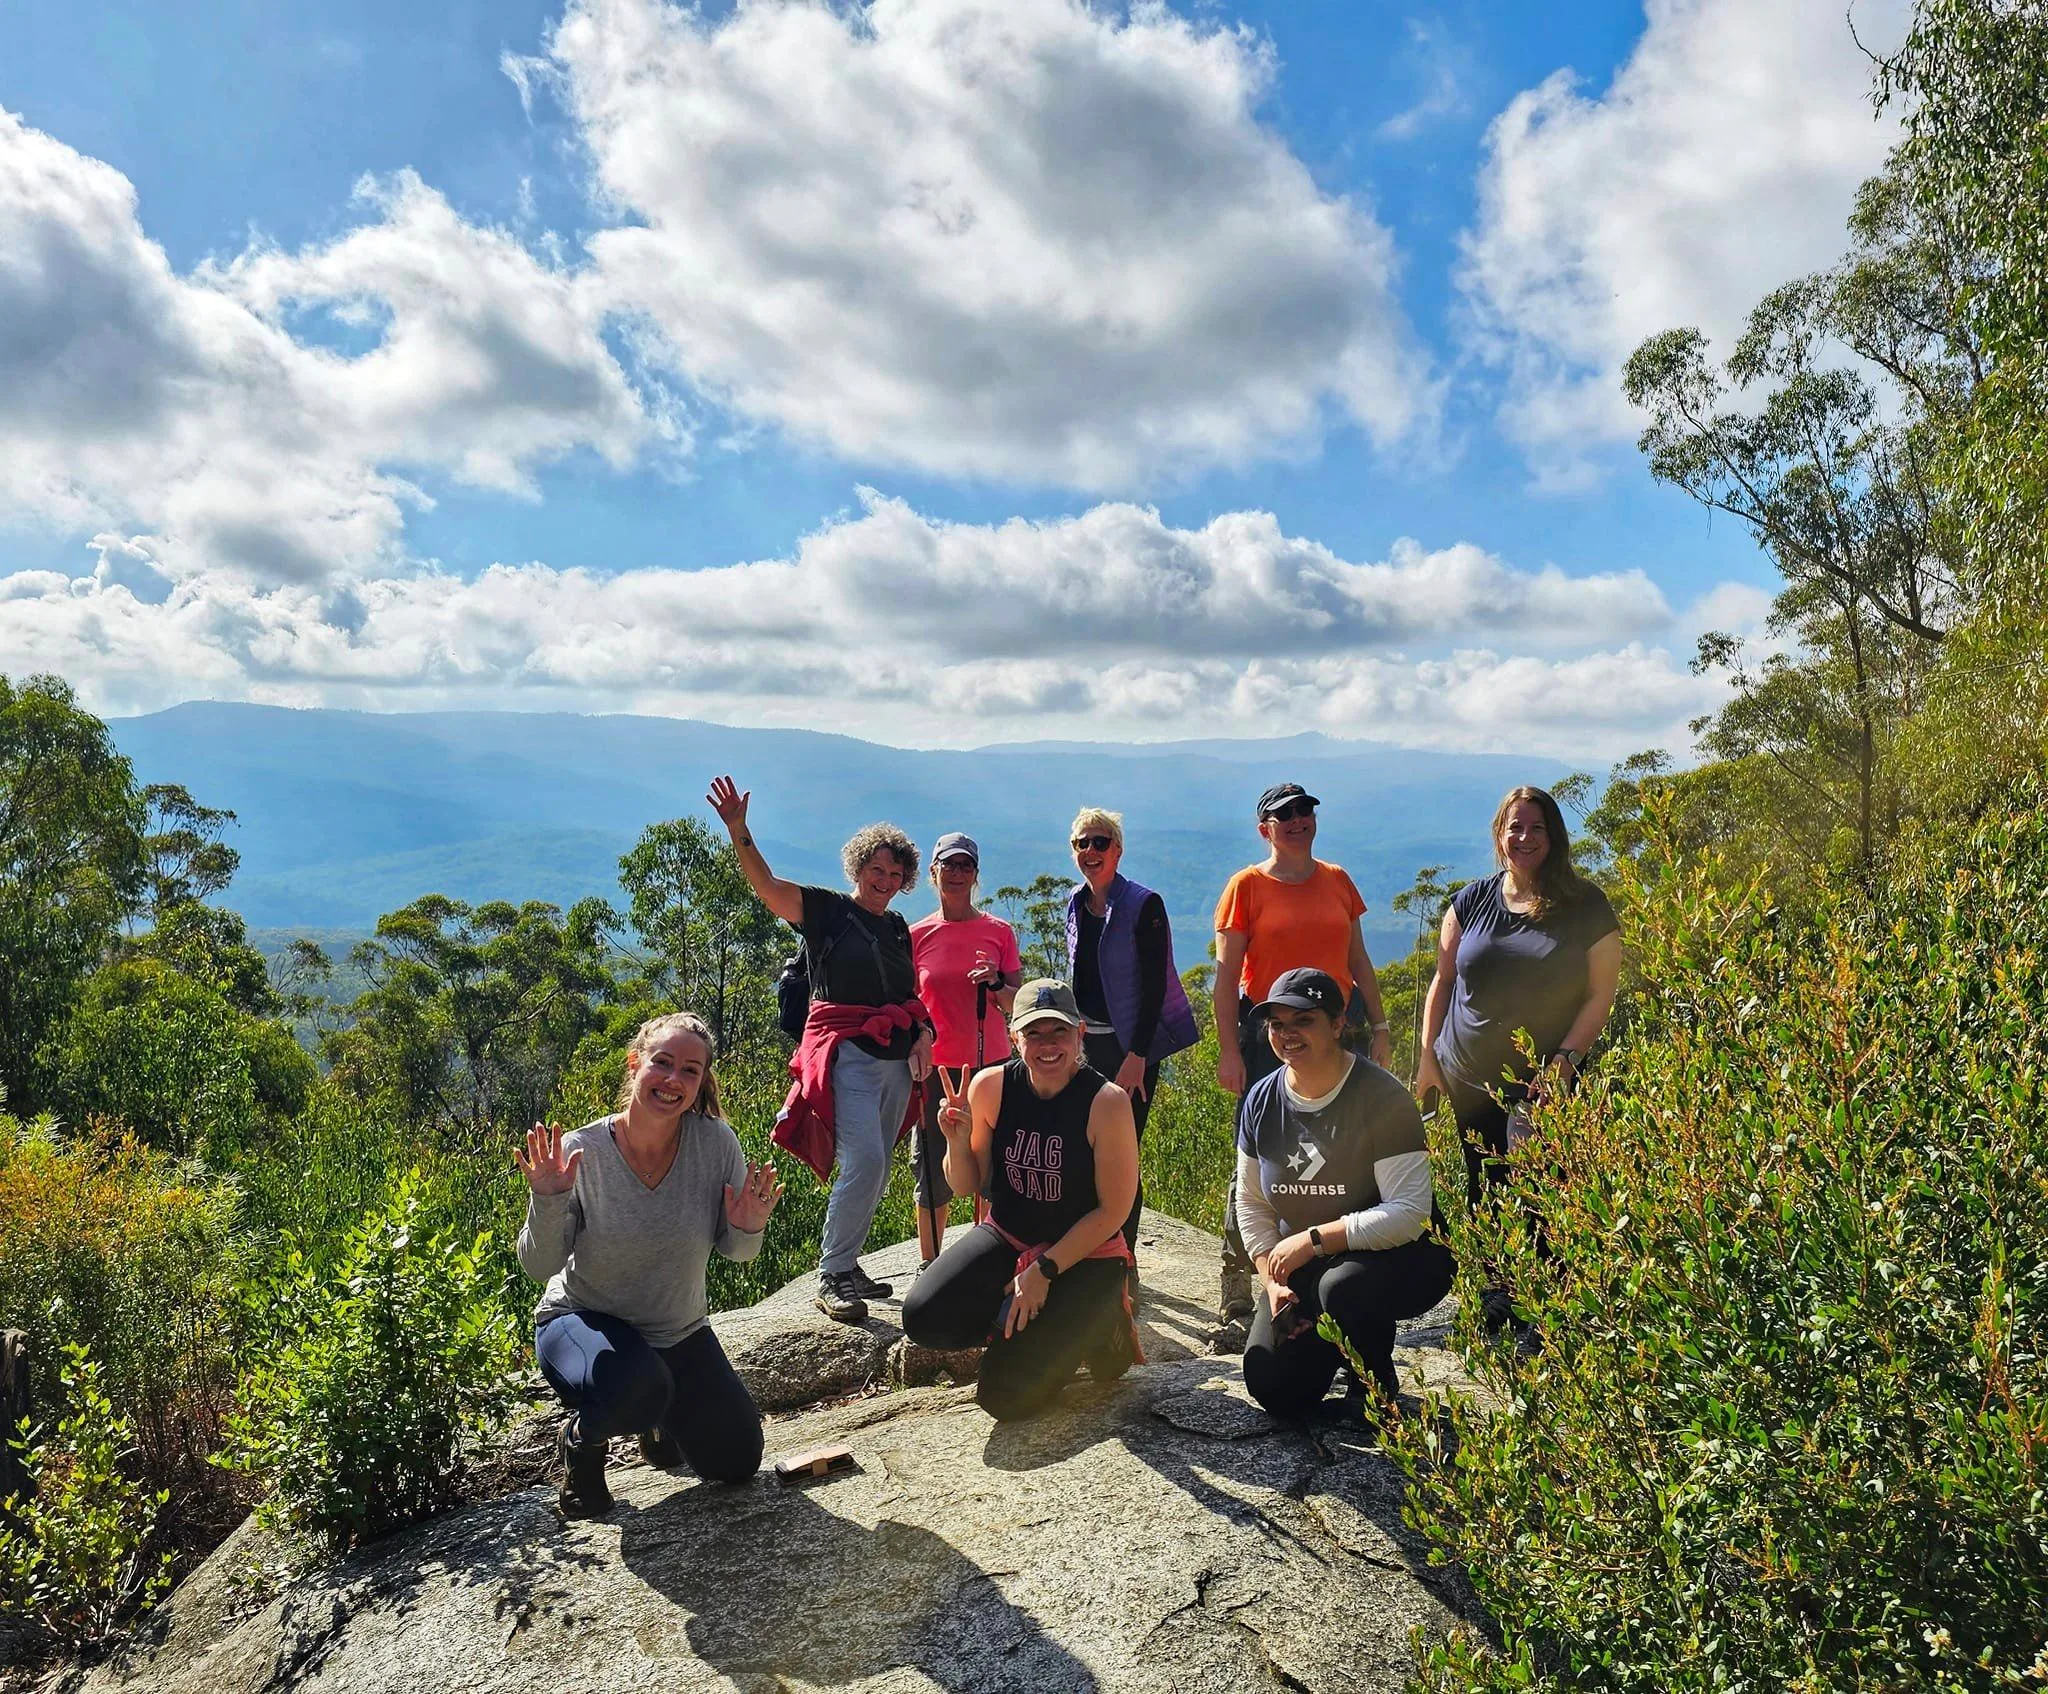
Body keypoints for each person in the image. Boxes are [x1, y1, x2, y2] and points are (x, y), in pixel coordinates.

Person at [517, 1011, 784, 1518]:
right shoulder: (582, 1151)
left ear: (703, 1080)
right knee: (638, 1389)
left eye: (690, 1070)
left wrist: (749, 1224)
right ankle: (581, 1443)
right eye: (662, 1063)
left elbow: (738, 1252)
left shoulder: (716, 1144)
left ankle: (658, 1422)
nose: (673, 1080)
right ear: (635, 1063)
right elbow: (539, 1264)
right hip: (581, 1321)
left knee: (736, 1459)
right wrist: (548, 1199)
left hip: (676, 1331)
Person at [708, 774, 934, 1324]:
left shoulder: (898, 927)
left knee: (877, 1169)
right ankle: (832, 1273)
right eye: (875, 869)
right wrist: (740, 831)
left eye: (895, 873)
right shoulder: (828, 911)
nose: (884, 879)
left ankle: (849, 1264)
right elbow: (768, 889)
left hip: (898, 1058)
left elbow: (908, 993)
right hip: (848, 1055)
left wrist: (924, 1033)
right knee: (866, 1160)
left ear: (904, 880)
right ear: (858, 868)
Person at [1414, 785, 1622, 1331]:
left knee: (1542, 1183)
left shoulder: (1585, 905)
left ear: (1553, 837)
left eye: (1536, 828)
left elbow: (1601, 993)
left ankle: (1550, 1305)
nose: (1524, 838)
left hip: (1546, 1077)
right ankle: (1496, 1300)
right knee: (1484, 1181)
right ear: (1499, 835)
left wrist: (1565, 1062)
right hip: (1466, 1071)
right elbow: (1443, 979)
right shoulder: (1471, 900)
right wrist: (1428, 1056)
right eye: (1515, 827)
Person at [901, 980, 1144, 1422]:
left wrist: (1044, 1270)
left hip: (1084, 1255)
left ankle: (1103, 1321)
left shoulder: (1105, 1102)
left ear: (1080, 1034)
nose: (1047, 1045)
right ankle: (1023, 1327)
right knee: (923, 1316)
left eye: (1059, 1032)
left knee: (1003, 1398)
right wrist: (955, 1142)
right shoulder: (991, 1086)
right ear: (1015, 1038)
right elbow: (965, 1185)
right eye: (1034, 1033)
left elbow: (1114, 1211)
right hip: (1010, 1235)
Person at [1211, 782, 1392, 1332]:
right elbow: (1225, 978)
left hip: (1340, 1033)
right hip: (1274, 1040)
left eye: (1304, 811)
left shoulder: (1337, 881)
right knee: (1261, 1155)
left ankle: (1331, 1274)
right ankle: (1239, 1285)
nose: (1296, 820)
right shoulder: (1246, 886)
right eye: (1282, 814)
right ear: (1264, 827)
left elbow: (1357, 959)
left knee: (1345, 1151)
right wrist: (1227, 1050)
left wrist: (1380, 1026)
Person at [1234, 970, 1453, 1420]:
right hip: (1305, 1262)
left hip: (1402, 1256)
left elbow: (1410, 1212)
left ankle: (1373, 1386)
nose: (1287, 1034)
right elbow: (1251, 1202)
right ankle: (1327, 1337)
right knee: (1273, 1385)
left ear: (1337, 1025)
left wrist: (1313, 1240)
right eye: (1276, 1023)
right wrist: (1272, 1281)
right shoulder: (1261, 1100)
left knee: (1345, 1288)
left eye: (1303, 1021)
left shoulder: (1380, 1098)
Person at [1064, 807, 1200, 1255]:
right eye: (1082, 842)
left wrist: (1138, 1055)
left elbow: (1156, 983)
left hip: (1130, 1052)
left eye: (1100, 842)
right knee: (1084, 1150)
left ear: (1118, 850)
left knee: (1121, 1155)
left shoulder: (1144, 905)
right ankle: (1090, 1250)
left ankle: (1123, 1258)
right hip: (1086, 1048)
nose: (1090, 851)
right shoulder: (1074, 903)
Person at [908, 832, 1022, 1266]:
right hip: (935, 1070)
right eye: (948, 865)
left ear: (975, 875)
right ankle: (930, 1266)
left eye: (965, 866)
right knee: (933, 1166)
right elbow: (909, 1006)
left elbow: (1016, 1004)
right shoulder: (916, 934)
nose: (956, 874)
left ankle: (990, 1258)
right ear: (934, 872)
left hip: (990, 1066)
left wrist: (996, 982)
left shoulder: (999, 932)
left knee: (993, 1162)